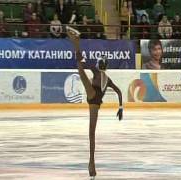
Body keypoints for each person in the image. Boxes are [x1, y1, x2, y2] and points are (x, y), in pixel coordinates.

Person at [66, 27, 123, 179]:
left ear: (100, 65)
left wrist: (83, 59)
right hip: (95, 101)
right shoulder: (107, 79)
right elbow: (119, 92)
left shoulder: (97, 72)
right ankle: (92, 164)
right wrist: (120, 107)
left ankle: (76, 43)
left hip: (93, 95)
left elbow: (84, 64)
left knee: (80, 69)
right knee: (92, 134)